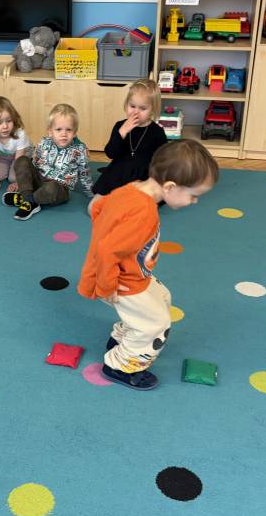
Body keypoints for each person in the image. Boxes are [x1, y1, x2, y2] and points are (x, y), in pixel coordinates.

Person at [77, 139, 219, 390]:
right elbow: (107, 250)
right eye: (193, 196)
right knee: (157, 324)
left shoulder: (132, 188)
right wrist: (107, 285)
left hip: (133, 274)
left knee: (163, 297)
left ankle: (123, 337)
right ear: (170, 186)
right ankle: (121, 365)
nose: (194, 202)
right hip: (121, 281)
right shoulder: (144, 212)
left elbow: (99, 206)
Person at [4, 104, 93, 221]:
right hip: (39, 179)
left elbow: (84, 172)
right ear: (50, 131)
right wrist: (21, 182)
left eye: (69, 130)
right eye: (58, 129)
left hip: (59, 188)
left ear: (75, 132)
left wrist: (90, 192)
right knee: (22, 160)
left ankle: (28, 201)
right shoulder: (44, 142)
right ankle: (27, 196)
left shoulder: (80, 150)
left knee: (52, 188)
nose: (64, 134)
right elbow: (34, 162)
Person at [91, 78, 167, 210]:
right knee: (93, 207)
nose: (136, 112)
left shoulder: (157, 132)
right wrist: (122, 132)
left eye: (143, 108)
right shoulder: (120, 126)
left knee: (139, 206)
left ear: (152, 110)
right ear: (126, 104)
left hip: (142, 178)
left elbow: (163, 161)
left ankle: (125, 207)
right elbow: (110, 153)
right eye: (132, 106)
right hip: (118, 174)